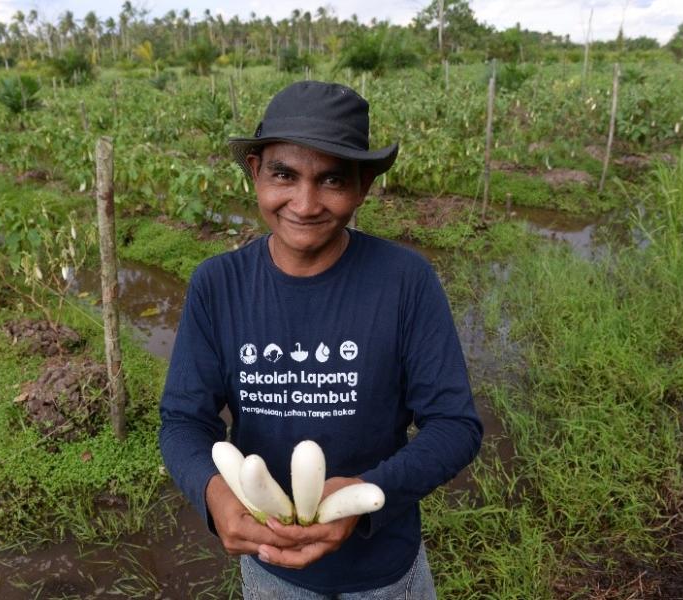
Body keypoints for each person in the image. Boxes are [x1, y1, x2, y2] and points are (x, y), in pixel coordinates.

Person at [159, 81, 482, 598]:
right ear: (255, 171)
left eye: (332, 180)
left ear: (364, 186)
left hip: (384, 572)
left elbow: (455, 425)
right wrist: (213, 494)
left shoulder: (405, 282)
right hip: (270, 570)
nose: (305, 204)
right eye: (284, 174)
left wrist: (368, 492)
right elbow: (182, 421)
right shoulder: (217, 285)